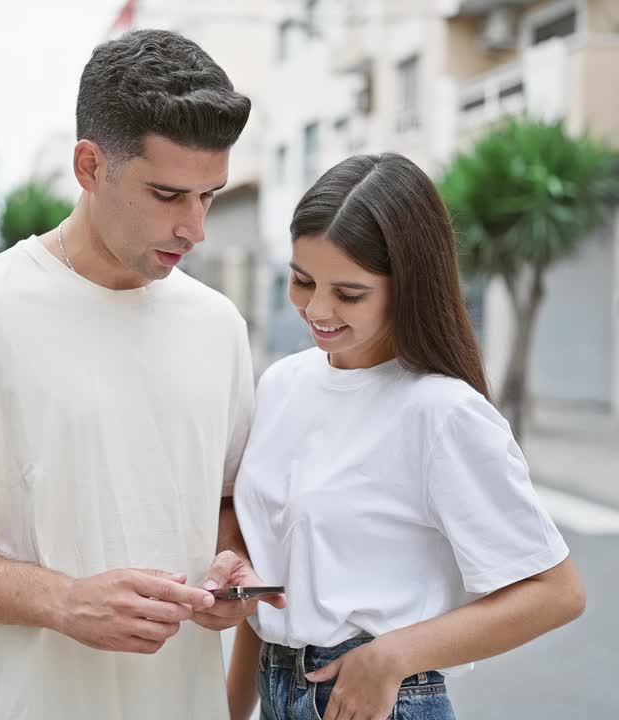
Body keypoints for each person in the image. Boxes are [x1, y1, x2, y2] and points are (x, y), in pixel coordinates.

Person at [0, 29, 283, 720]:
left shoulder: (219, 327)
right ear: (90, 166)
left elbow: (224, 503)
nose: (195, 227)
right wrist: (63, 601)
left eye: (209, 195)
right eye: (168, 194)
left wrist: (229, 567)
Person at [226, 154, 587, 720]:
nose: (316, 309)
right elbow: (276, 580)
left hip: (374, 697)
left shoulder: (441, 412)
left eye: (348, 293)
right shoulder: (280, 384)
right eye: (301, 280)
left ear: (406, 287)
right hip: (276, 685)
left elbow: (556, 592)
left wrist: (394, 656)